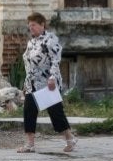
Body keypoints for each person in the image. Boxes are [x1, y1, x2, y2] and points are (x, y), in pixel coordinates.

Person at [16, 12, 77, 153]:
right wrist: (26, 84)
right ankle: (29, 144)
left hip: (47, 83)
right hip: (32, 83)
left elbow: (56, 60)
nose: (31, 28)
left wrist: (52, 78)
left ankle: (70, 139)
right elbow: (28, 65)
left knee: (56, 113)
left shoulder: (50, 39)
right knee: (29, 111)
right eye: (29, 25)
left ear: (42, 24)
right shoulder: (31, 42)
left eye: (34, 25)